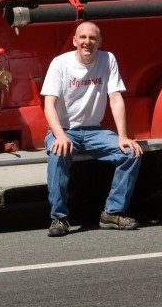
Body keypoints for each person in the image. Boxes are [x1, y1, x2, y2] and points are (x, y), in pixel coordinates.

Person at [41, 21, 143, 236]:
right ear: (75, 41)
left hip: (94, 131)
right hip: (65, 130)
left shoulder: (108, 59)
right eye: (83, 38)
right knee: (58, 154)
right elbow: (48, 104)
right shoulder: (60, 63)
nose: (88, 42)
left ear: (99, 42)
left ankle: (112, 213)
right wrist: (59, 136)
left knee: (130, 153)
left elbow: (115, 98)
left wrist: (123, 136)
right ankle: (58, 218)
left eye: (93, 38)